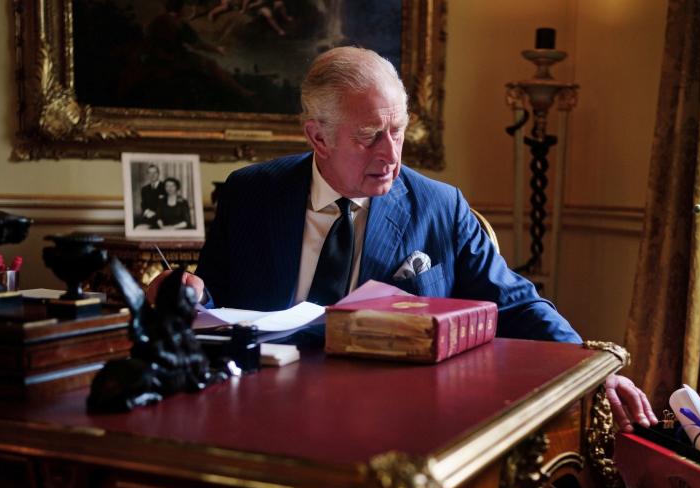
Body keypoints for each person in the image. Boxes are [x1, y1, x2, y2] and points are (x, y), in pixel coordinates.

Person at [146, 46, 656, 431]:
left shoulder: (439, 206)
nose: (390, 153)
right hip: (261, 411)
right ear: (317, 137)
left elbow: (516, 303)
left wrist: (593, 373)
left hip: (391, 423)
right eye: (369, 135)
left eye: (398, 130)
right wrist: (184, 293)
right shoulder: (252, 193)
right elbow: (215, 300)